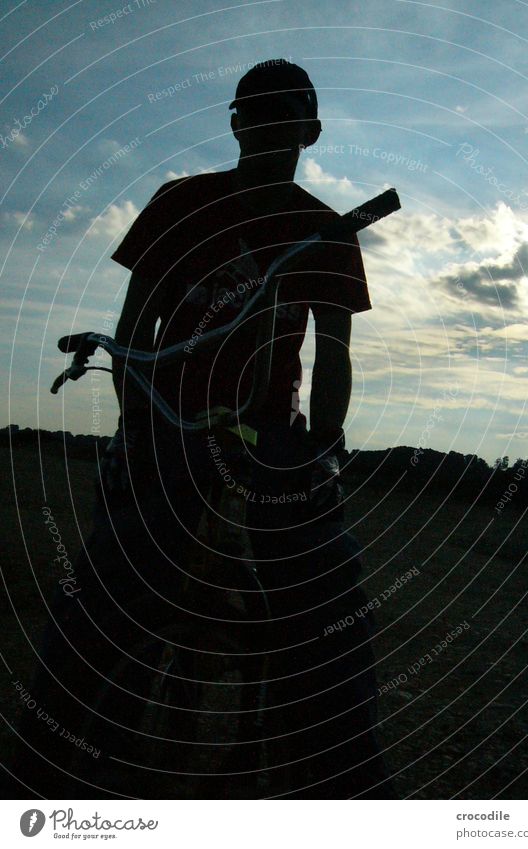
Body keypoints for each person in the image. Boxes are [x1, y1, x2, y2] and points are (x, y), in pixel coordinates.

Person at [9, 59, 394, 799]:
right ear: (236, 122)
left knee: (329, 602)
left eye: (287, 113)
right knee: (102, 600)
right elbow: (132, 333)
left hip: (269, 445)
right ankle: (43, 776)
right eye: (261, 111)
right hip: (169, 429)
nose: (274, 124)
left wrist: (317, 446)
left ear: (310, 130)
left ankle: (347, 789)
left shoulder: (326, 230)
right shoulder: (181, 203)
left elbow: (334, 353)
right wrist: (144, 433)